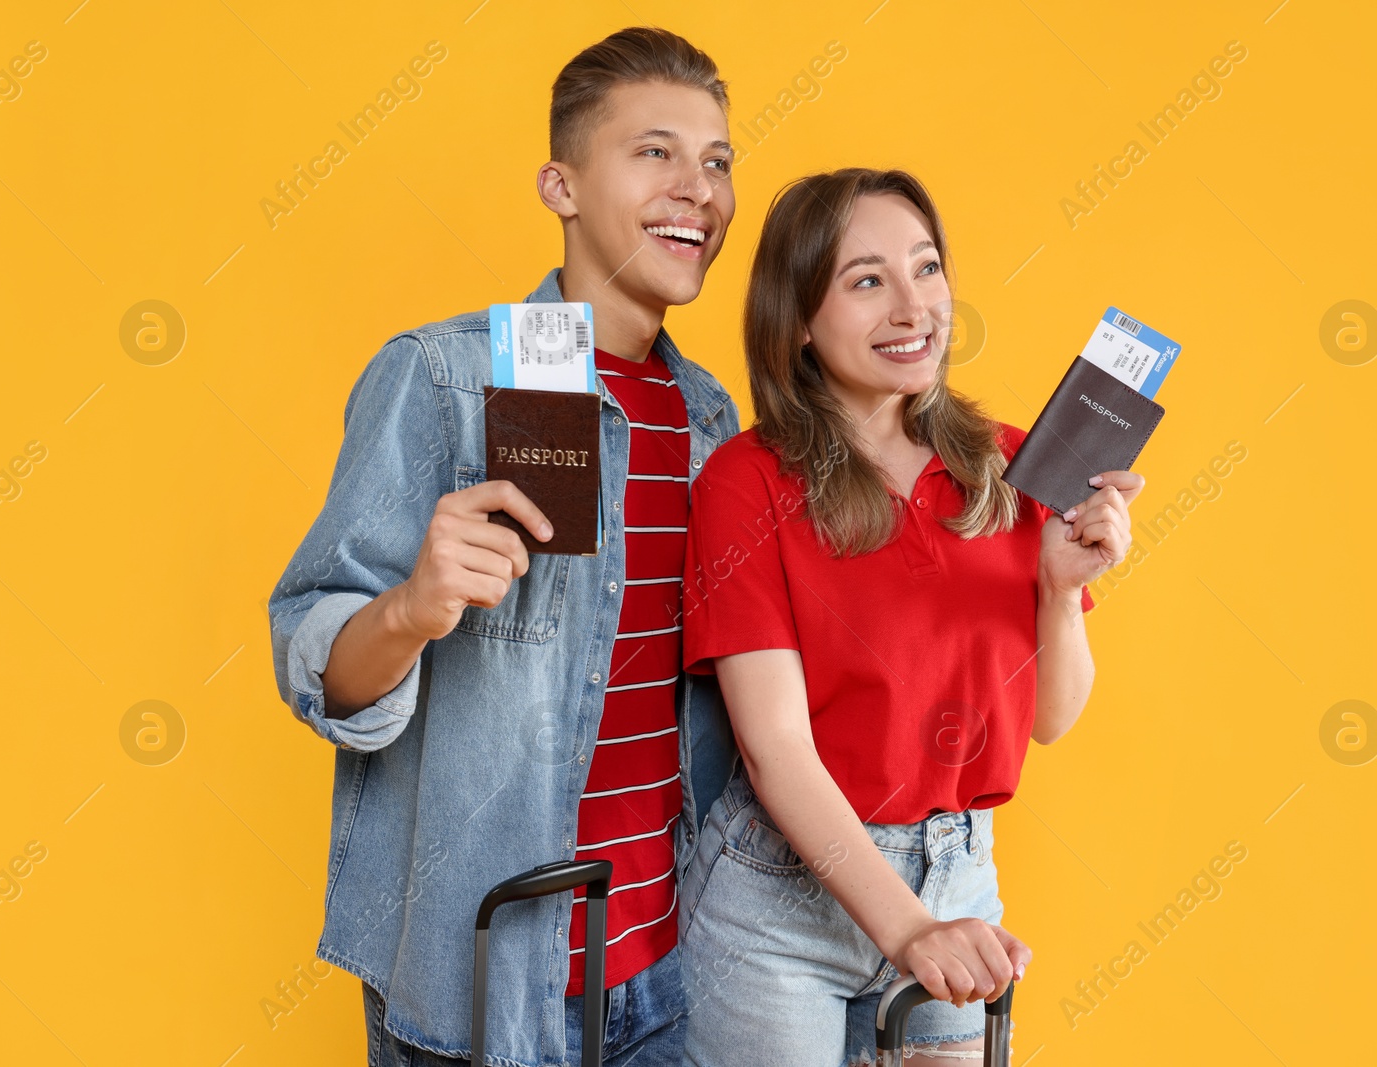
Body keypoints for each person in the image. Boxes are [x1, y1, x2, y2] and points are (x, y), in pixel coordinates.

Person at [267, 27, 742, 1066]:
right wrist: (408, 608)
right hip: (483, 981)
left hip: (673, 973)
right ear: (560, 185)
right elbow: (314, 657)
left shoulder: (713, 424)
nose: (697, 191)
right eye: (654, 153)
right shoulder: (440, 380)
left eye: (717, 162)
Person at [676, 168, 1144, 1064]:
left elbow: (1049, 718)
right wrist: (907, 930)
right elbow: (774, 748)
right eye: (867, 280)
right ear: (799, 320)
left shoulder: (1010, 464)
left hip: (958, 871)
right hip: (781, 894)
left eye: (926, 269)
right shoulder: (747, 482)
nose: (913, 306)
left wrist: (1057, 589)